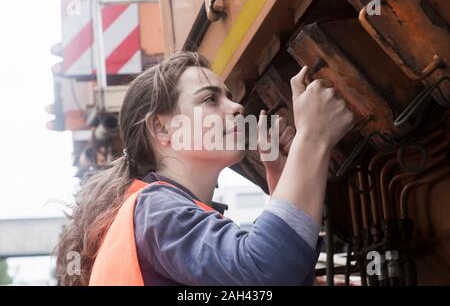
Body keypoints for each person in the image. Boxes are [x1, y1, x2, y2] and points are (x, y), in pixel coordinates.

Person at [55, 51, 354, 286]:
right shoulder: (156, 210)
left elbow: (273, 280)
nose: (236, 108)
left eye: (229, 96)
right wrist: (312, 138)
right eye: (210, 99)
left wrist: (280, 175)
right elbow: (265, 270)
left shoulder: (163, 213)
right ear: (161, 129)